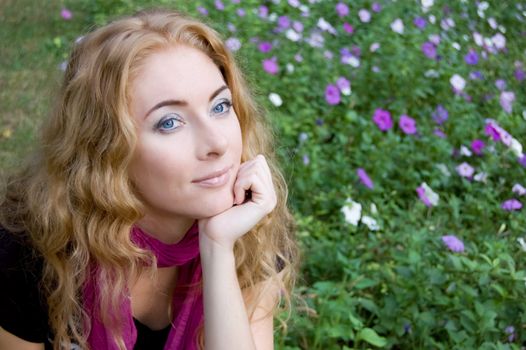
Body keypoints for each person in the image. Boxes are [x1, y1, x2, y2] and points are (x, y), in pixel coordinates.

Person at [0, 8, 298, 350]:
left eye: (220, 106)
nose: (217, 143)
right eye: (169, 122)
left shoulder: (252, 235)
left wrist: (218, 249)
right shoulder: (31, 250)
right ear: (107, 148)